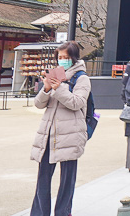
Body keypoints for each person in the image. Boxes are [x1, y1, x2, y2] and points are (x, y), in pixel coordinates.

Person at [29, 41, 90, 216]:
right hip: (49, 133)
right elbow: (38, 104)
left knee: (67, 179)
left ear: (74, 57)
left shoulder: (82, 78)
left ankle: (63, 212)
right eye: (60, 57)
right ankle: (40, 213)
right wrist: (46, 89)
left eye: (66, 57)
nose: (62, 60)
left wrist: (59, 88)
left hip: (71, 133)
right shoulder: (55, 74)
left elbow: (77, 102)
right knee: (43, 176)